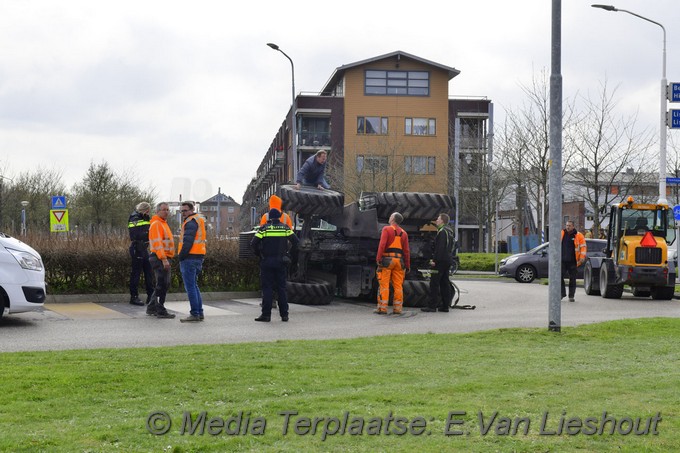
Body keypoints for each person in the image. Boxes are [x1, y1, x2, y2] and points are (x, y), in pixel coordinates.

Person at [250, 208, 299, 322]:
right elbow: (296, 242)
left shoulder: (264, 229)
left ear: (269, 218)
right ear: (280, 216)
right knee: (282, 288)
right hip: (281, 262)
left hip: (267, 261)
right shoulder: (285, 228)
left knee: (267, 288)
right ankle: (284, 315)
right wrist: (288, 254)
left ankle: (266, 315)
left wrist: (259, 254)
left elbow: (253, 244)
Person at [375, 212, 410, 315]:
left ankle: (382, 308)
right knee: (398, 286)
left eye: (390, 216)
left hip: (387, 260)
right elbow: (407, 251)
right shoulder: (404, 233)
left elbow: (382, 245)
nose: (389, 218)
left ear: (393, 219)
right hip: (399, 262)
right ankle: (398, 309)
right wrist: (407, 265)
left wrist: (378, 258)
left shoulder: (387, 229)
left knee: (384, 285)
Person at [178, 202, 207, 323]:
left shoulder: (190, 222)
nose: (183, 213)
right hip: (198, 256)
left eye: (185, 210)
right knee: (194, 286)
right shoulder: (197, 220)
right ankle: (199, 312)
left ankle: (195, 313)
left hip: (189, 257)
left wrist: (181, 256)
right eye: (181, 211)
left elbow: (188, 242)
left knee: (190, 287)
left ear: (192, 210)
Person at [146, 202, 176, 319]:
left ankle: (152, 307)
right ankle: (160, 310)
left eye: (168, 210)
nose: (166, 212)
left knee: (163, 284)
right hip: (160, 258)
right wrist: (164, 259)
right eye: (164, 209)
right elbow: (158, 244)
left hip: (162, 257)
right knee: (162, 285)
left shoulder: (162, 223)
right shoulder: (157, 224)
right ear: (157, 211)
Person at [422, 213, 456, 313]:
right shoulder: (449, 231)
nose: (436, 220)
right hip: (448, 260)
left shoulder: (441, 232)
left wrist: (434, 261)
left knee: (434, 283)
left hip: (440, 262)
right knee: (445, 283)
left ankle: (432, 306)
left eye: (438, 219)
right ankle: (445, 306)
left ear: (442, 221)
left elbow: (440, 248)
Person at [127, 201, 154, 306]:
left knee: (148, 271)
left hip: (143, 248)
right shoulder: (135, 218)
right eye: (148, 211)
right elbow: (137, 234)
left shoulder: (143, 217)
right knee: (136, 273)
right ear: (146, 210)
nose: (149, 213)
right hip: (137, 248)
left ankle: (151, 296)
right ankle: (133, 297)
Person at [561, 220, 587, 302]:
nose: (567, 227)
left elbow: (583, 247)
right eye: (567, 225)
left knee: (572, 279)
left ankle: (571, 296)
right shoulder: (561, 233)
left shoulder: (578, 236)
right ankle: (562, 293)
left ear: (573, 226)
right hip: (562, 261)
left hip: (573, 261)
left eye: (569, 225)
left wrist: (582, 257)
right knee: (558, 277)